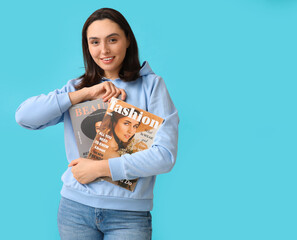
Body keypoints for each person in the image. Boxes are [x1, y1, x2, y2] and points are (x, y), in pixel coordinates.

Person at [15, 7, 179, 240]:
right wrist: (83, 94)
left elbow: (164, 156)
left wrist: (99, 169)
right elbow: (24, 117)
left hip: (128, 217)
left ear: (128, 40)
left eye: (112, 39)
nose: (104, 50)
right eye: (94, 42)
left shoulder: (152, 87)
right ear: (87, 46)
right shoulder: (77, 88)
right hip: (74, 209)